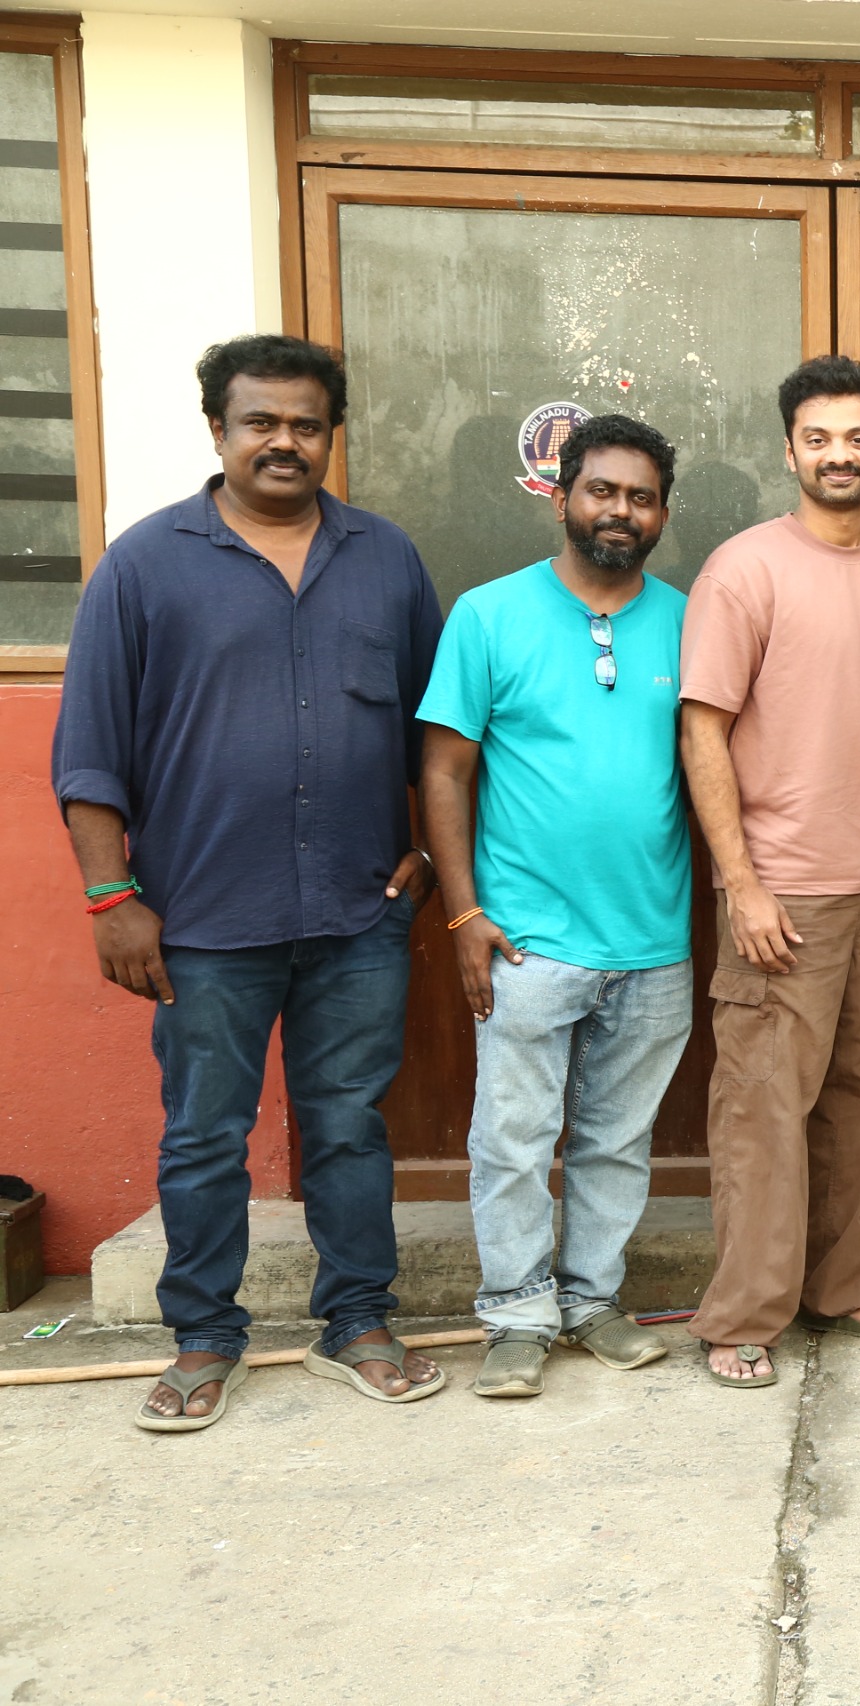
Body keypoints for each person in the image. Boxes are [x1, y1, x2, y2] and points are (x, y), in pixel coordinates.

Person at [53, 334, 447, 1429]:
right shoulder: (144, 565)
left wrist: (427, 848)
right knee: (203, 1134)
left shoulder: (386, 559)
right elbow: (89, 753)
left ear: (331, 436)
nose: (284, 441)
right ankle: (204, 1336)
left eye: (305, 424)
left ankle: (357, 1320)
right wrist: (110, 898)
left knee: (349, 1127)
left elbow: (439, 732)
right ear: (218, 430)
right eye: (260, 422)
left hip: (359, 910)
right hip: (203, 918)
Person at [418, 414, 691, 1399]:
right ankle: (516, 1317)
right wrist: (463, 915)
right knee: (513, 1142)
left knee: (617, 1142)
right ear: (560, 495)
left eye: (641, 497)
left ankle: (592, 1301)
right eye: (601, 490)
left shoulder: (688, 620)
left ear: (662, 514)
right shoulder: (488, 616)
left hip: (653, 937)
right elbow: (444, 772)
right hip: (527, 940)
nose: (620, 510)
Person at [679, 357, 860, 1390]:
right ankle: (744, 1315)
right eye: (819, 438)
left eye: (857, 437)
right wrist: (741, 884)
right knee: (762, 1110)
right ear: (789, 450)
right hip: (783, 891)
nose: (840, 455)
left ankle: (852, 1285)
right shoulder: (743, 569)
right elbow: (703, 732)